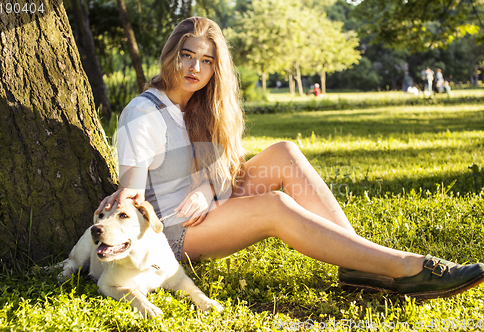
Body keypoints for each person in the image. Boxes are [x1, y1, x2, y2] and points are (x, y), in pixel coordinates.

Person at [96, 17, 484, 299]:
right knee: (275, 207)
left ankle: (356, 262)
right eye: (187, 55)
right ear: (171, 55)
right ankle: (404, 267)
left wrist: (208, 191)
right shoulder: (143, 114)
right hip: (175, 232)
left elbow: (222, 172)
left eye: (207, 60)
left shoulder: (199, 107)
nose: (196, 68)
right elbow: (131, 199)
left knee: (285, 152)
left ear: (217, 67)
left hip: (206, 207)